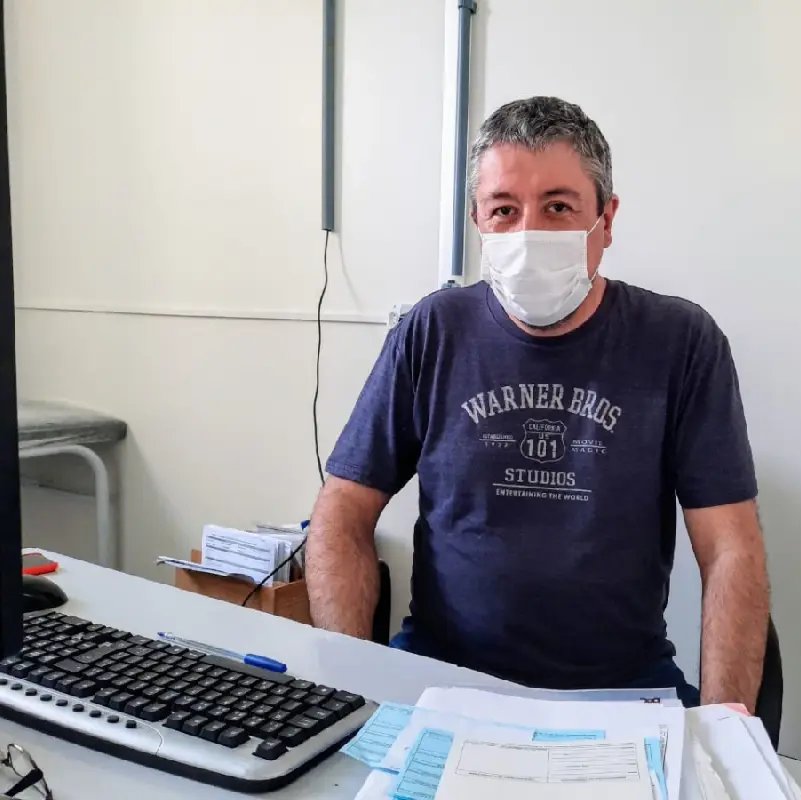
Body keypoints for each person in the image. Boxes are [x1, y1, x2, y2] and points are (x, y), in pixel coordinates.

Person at [306, 96, 770, 713]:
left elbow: (731, 546)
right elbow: (342, 508)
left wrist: (724, 726)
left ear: (605, 219)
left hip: (619, 690)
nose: (529, 234)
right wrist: (351, 682)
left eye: (558, 207)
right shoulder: (432, 331)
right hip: (440, 679)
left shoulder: (681, 342)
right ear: (478, 220)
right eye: (504, 210)